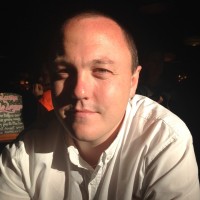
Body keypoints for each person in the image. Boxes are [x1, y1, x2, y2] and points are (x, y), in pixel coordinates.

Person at [0, 10, 199, 200]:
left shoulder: (165, 141)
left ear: (132, 82)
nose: (79, 91)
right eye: (63, 72)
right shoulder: (23, 154)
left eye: (101, 70)